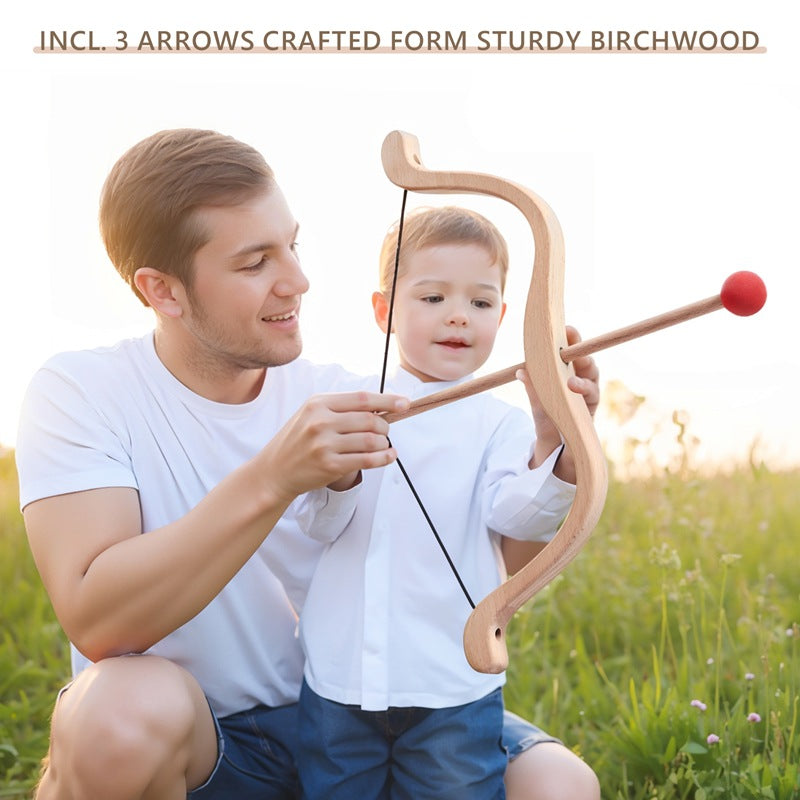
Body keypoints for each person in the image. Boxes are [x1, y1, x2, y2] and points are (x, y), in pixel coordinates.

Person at [15, 128, 599, 800]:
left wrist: (557, 445)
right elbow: (99, 619)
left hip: (350, 706)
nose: (297, 280)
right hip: (208, 741)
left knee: (559, 784)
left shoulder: (353, 396)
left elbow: (496, 555)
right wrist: (274, 477)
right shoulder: (84, 391)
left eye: (291, 244)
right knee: (119, 715)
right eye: (254, 261)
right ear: (164, 291)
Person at [294, 207, 600, 799]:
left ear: (504, 318)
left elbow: (520, 518)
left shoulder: (503, 423)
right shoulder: (349, 404)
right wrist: (339, 475)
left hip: (453, 688)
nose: (459, 314)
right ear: (384, 310)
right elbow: (319, 522)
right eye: (432, 297)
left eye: (481, 303)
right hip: (341, 679)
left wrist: (555, 436)